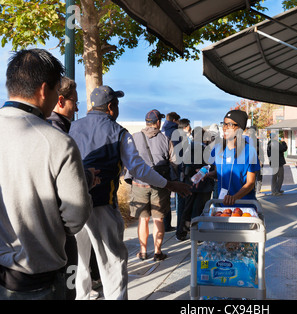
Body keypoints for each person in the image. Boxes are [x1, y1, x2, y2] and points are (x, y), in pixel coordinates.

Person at [69, 86, 191, 300]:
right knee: (112, 263)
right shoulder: (118, 132)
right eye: (116, 104)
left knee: (80, 259)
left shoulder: (72, 128)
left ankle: (83, 296)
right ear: (110, 107)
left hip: (74, 206)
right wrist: (169, 184)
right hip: (102, 206)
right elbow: (138, 169)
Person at [0, 49, 92, 300]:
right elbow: (76, 216)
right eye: (56, 92)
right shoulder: (58, 142)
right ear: (44, 90)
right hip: (40, 278)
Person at [47, 76, 101, 300]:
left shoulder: (55, 127)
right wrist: (88, 178)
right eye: (74, 101)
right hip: (60, 226)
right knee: (68, 276)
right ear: (60, 101)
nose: (77, 107)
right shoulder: (58, 133)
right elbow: (61, 180)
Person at [124, 109, 177, 261]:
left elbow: (128, 160)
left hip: (139, 185)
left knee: (143, 220)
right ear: (158, 122)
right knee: (159, 220)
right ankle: (158, 252)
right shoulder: (165, 139)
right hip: (160, 185)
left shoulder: (134, 138)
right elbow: (174, 162)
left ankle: (142, 251)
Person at [204, 110, 260, 206]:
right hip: (222, 206)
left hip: (244, 207)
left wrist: (234, 198)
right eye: (224, 124)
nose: (225, 128)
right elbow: (219, 174)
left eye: (229, 125)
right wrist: (207, 174)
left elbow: (250, 183)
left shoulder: (249, 151)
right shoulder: (217, 148)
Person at [176, 127, 215, 241]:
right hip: (203, 184)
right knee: (200, 210)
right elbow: (210, 165)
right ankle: (197, 235)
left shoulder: (187, 148)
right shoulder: (206, 149)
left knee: (186, 209)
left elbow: (182, 165)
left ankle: (181, 232)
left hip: (190, 183)